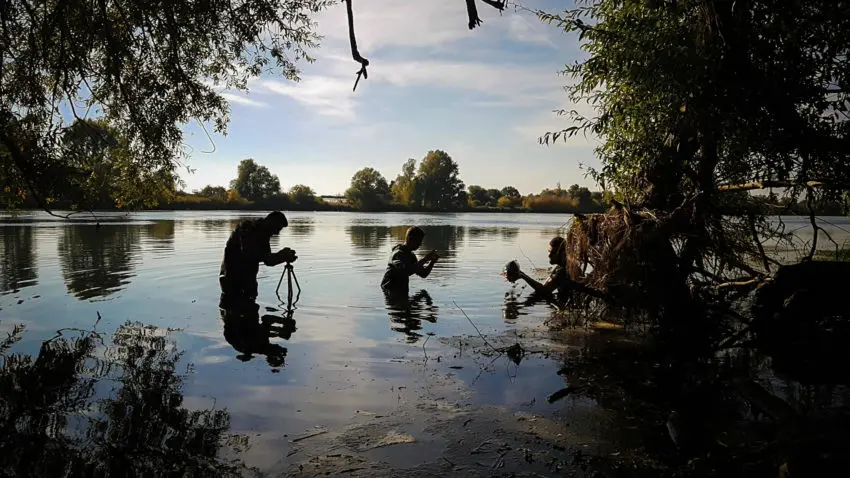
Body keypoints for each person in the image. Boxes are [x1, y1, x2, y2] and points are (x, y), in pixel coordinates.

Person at [219, 211, 297, 303]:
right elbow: (249, 254)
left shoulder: (264, 234)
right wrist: (281, 256)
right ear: (270, 222)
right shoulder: (246, 228)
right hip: (232, 279)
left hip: (248, 279)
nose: (276, 233)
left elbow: (268, 261)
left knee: (250, 307)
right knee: (234, 309)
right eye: (277, 229)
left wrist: (283, 257)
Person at [506, 236, 604, 303]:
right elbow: (544, 286)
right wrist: (521, 274)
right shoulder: (561, 267)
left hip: (570, 307)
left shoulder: (563, 270)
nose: (549, 255)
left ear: (562, 253)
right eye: (549, 252)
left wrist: (523, 276)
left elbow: (544, 291)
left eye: (552, 253)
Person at [380, 226, 439, 292]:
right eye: (418, 241)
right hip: (389, 291)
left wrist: (432, 262)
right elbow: (406, 271)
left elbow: (423, 274)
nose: (420, 244)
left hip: (401, 292)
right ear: (409, 239)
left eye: (421, 241)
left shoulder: (410, 255)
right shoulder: (397, 254)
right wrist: (426, 259)